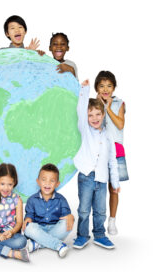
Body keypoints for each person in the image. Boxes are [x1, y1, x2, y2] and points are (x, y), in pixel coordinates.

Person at [73, 80, 120, 249]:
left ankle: (99, 235)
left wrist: (115, 182)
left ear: (103, 115)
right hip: (86, 176)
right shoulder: (85, 130)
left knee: (100, 210)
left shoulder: (108, 136)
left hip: (102, 178)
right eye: (90, 115)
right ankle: (82, 235)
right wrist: (84, 90)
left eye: (98, 114)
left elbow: (112, 161)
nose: (94, 118)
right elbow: (80, 110)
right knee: (84, 210)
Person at [94, 71, 129, 235]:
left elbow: (120, 124)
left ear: (114, 87)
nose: (105, 89)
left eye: (109, 86)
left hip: (116, 149)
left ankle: (112, 221)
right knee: (99, 186)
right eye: (101, 86)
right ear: (97, 88)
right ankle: (98, 222)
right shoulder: (94, 104)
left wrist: (107, 108)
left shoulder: (119, 103)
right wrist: (99, 105)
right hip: (100, 150)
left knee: (114, 188)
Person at [22, 163, 74, 258]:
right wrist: (28, 218)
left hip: (55, 228)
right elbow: (29, 214)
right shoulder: (32, 199)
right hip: (38, 228)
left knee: (68, 223)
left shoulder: (61, 199)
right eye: (44, 179)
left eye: (52, 181)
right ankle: (59, 245)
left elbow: (66, 215)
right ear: (38, 181)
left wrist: (70, 216)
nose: (47, 183)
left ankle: (37, 244)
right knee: (28, 228)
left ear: (57, 184)